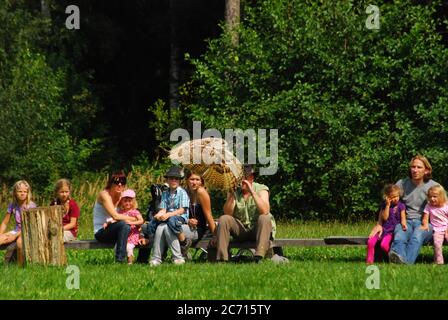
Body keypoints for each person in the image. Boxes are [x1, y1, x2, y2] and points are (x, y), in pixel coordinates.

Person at [214, 165, 276, 263]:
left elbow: (265, 210)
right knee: (224, 218)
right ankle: (222, 258)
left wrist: (251, 191)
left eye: (245, 178)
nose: (242, 181)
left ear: (252, 177)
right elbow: (227, 213)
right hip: (241, 230)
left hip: (257, 230)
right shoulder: (234, 190)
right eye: (239, 178)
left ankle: (258, 257)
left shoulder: (262, 189)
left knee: (265, 218)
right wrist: (232, 194)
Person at [385, 155, 439, 264]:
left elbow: (444, 207)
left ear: (427, 170)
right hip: (405, 221)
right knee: (400, 236)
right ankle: (398, 258)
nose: (415, 170)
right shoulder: (402, 184)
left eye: (419, 167)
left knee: (417, 236)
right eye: (413, 167)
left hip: (425, 222)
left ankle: (405, 263)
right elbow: (387, 203)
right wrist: (379, 223)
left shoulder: (434, 187)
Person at [146, 166, 190, 266]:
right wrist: (159, 215)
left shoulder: (182, 192)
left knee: (169, 223)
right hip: (168, 216)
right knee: (158, 225)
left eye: (176, 178)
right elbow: (163, 209)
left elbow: (182, 209)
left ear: (179, 181)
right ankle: (157, 257)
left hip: (179, 216)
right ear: (167, 180)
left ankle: (177, 255)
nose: (174, 180)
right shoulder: (165, 193)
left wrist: (168, 215)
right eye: (171, 178)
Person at [93, 171, 138, 263]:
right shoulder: (104, 195)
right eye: (117, 182)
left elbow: (134, 209)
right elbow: (115, 216)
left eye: (123, 182)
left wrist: (139, 221)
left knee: (145, 227)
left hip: (119, 230)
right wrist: (134, 219)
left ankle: (143, 259)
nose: (120, 184)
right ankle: (120, 260)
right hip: (102, 231)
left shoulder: (123, 196)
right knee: (123, 225)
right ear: (110, 183)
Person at [367, 184, 406, 264]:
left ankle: (392, 257)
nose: (395, 199)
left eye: (397, 196)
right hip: (383, 229)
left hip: (391, 231)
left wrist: (404, 224)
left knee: (384, 245)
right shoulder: (384, 206)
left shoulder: (401, 206)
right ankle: (369, 261)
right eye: (393, 197)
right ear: (387, 197)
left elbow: (403, 218)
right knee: (370, 242)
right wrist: (388, 206)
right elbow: (385, 218)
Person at [0, 180, 37, 266]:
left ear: (28, 193)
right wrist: (1, 235)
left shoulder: (31, 206)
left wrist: (14, 236)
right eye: (20, 191)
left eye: (25, 191)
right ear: (15, 193)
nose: (22, 193)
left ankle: (20, 267)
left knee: (20, 243)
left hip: (28, 232)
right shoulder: (13, 205)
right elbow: (5, 223)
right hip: (17, 230)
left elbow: (28, 226)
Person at [104, 189, 144, 265]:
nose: (127, 203)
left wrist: (132, 222)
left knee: (129, 247)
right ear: (122, 202)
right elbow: (115, 219)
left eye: (130, 201)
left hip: (132, 235)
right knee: (117, 247)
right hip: (123, 236)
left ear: (133, 202)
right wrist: (108, 223)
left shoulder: (135, 212)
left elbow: (141, 221)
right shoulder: (120, 212)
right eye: (125, 201)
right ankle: (119, 261)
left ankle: (130, 263)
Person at [423, 185, 448, 264]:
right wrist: (425, 225)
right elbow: (425, 218)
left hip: (447, 227)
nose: (432, 199)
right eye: (430, 197)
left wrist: (447, 231)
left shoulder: (446, 206)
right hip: (437, 229)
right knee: (437, 243)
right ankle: (439, 262)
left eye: (435, 196)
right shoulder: (429, 206)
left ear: (441, 196)